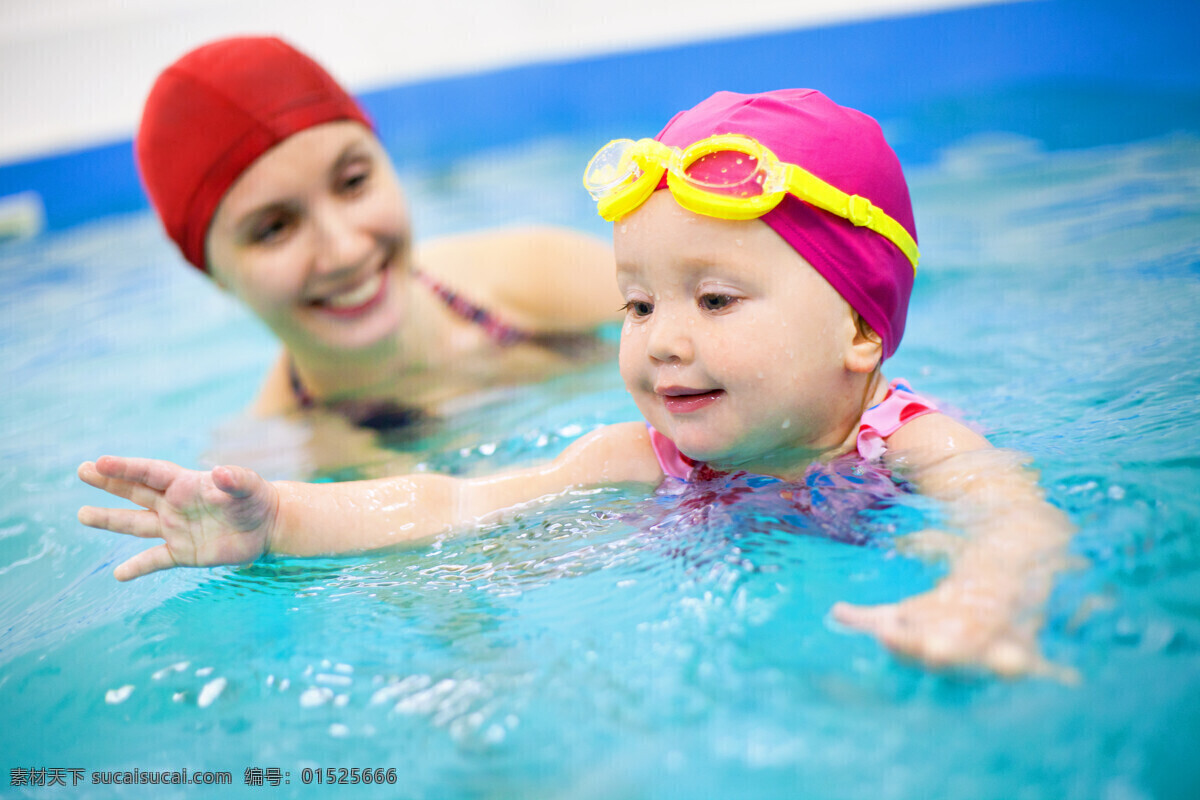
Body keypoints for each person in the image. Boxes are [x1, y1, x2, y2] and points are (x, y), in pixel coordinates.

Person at [81, 89, 1075, 678]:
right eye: (636, 305)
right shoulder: (637, 455)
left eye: (715, 300)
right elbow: (453, 499)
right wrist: (282, 522)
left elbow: (1016, 518)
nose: (657, 343)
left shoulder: (907, 440)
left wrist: (982, 599)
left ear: (859, 327)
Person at [135, 36, 621, 432]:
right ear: (214, 274)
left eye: (353, 182)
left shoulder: (543, 273)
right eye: (275, 228)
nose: (345, 250)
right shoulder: (275, 470)